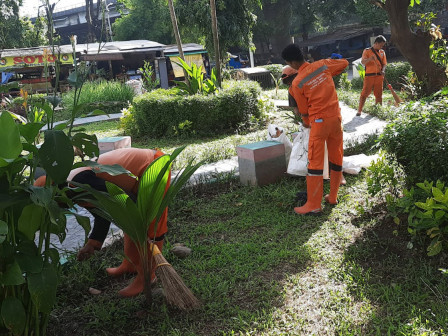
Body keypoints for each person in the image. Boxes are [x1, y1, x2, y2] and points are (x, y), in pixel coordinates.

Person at [35, 148, 170, 297]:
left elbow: (124, 199)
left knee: (151, 225)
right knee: (129, 221)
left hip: (153, 166)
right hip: (139, 173)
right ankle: (130, 264)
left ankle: (147, 277)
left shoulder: (78, 183)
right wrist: (92, 244)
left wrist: (141, 221)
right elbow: (102, 212)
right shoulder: (73, 189)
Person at [281, 44, 348, 215]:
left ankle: (314, 204)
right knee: (336, 157)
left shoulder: (296, 83)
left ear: (291, 63)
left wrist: (305, 122)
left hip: (319, 122)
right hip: (336, 119)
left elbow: (303, 113)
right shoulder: (323, 65)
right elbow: (344, 64)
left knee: (315, 164)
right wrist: (334, 60)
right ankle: (332, 197)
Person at [357, 35, 387, 116]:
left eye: (382, 45)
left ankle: (378, 110)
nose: (381, 47)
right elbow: (363, 62)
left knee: (379, 93)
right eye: (381, 45)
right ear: (376, 43)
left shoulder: (382, 52)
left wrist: (383, 71)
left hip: (379, 76)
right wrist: (370, 59)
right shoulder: (367, 51)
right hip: (369, 76)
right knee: (365, 92)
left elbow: (384, 64)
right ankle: (359, 110)